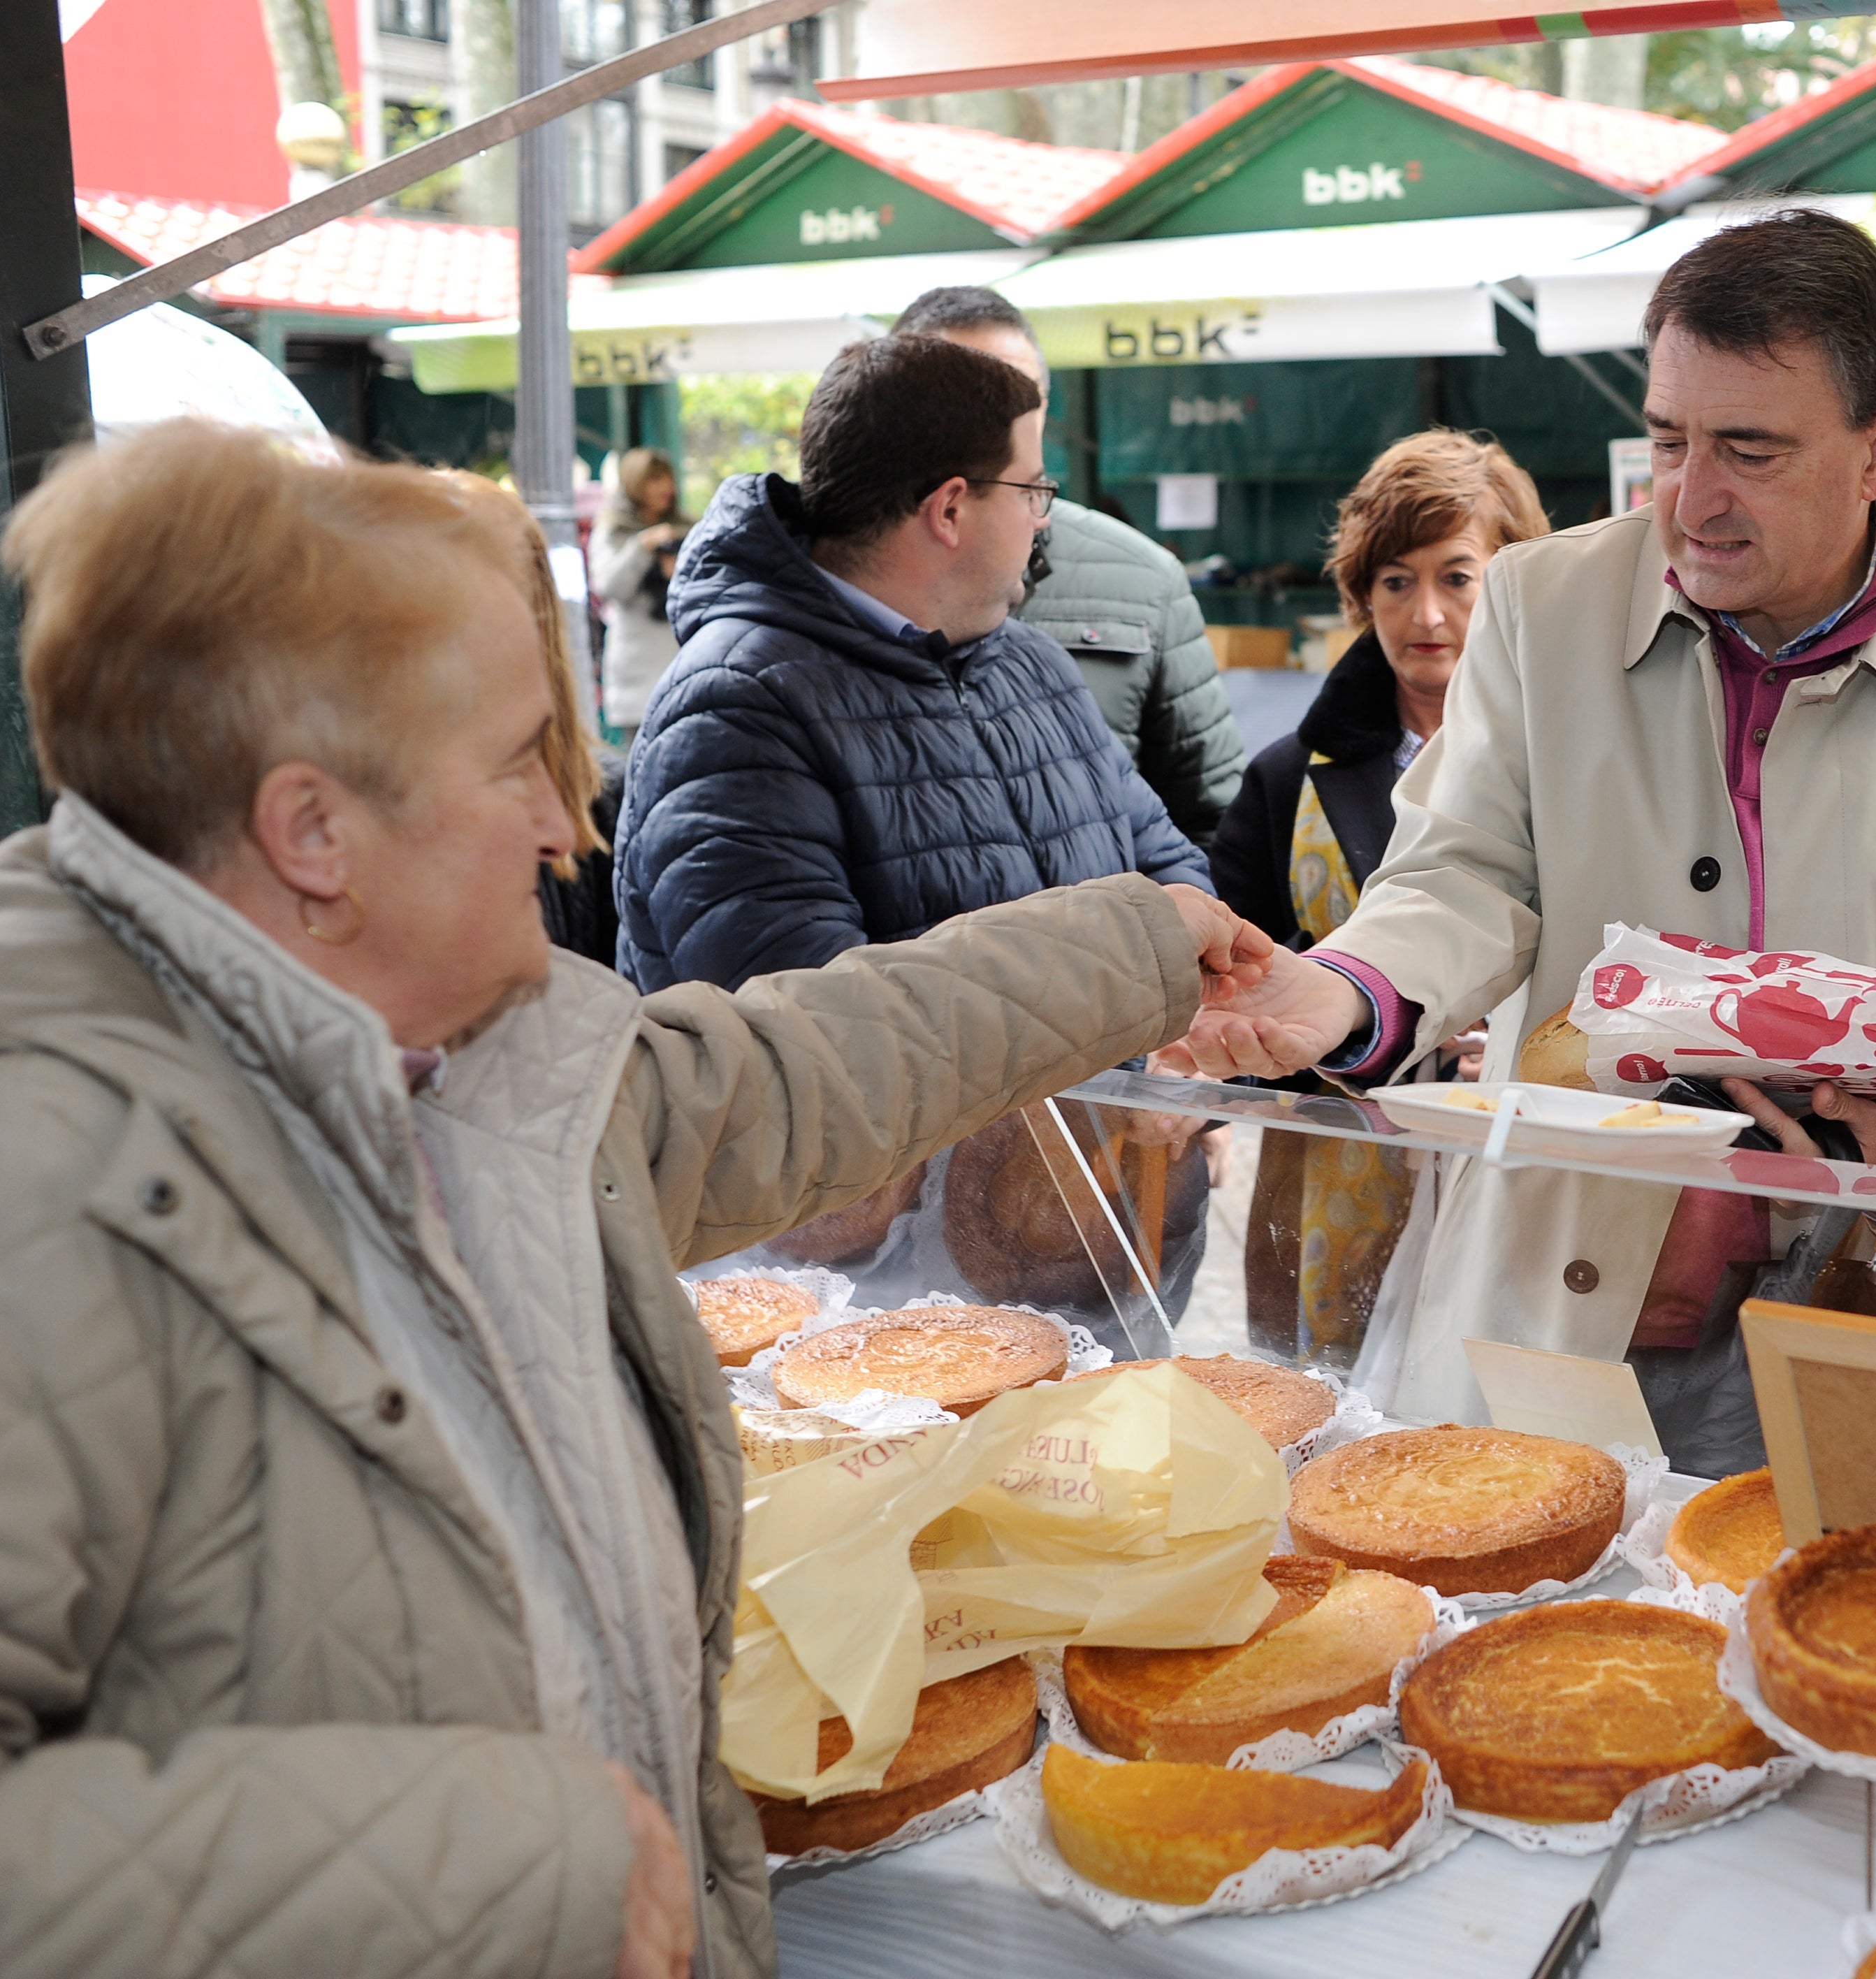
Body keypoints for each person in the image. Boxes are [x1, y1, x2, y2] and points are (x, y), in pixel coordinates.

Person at [0, 419, 1260, 1978]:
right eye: (517, 759)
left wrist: (1138, 945)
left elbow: (788, 1073)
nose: (563, 823)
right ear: (311, 832)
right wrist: (510, 1862)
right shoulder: (49, 1190)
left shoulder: (447, 1060)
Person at [1170, 208, 1876, 1445]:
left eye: (1749, 449)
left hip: (1860, 1295)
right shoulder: (1541, 607)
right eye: (1668, 439)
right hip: (1557, 1296)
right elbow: (1465, 869)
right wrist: (1352, 991)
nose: (1691, 499)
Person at [616, 332, 1212, 991]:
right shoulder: (735, 708)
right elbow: (820, 1027)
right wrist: (1116, 993)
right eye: (1033, 491)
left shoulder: (1033, 663)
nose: (1043, 519)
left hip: (1103, 1091)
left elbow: (1168, 869)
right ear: (950, 509)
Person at [1207, 430, 1548, 1361]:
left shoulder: (1573, 771)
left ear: (1514, 580)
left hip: (1520, 1183)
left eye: (1458, 575)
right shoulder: (1288, 778)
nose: (1425, 612)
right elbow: (1237, 979)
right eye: (1395, 581)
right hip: (1330, 1189)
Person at [890, 284, 1247, 839]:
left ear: (1044, 412)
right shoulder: (838, 578)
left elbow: (1217, 825)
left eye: (1014, 398)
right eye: (954, 399)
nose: (987, 424)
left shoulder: (1144, 580)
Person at [590, 446, 686, 737]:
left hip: (681, 661)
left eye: (667, 479)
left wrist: (680, 568)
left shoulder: (686, 526)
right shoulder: (614, 529)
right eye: (654, 480)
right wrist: (643, 547)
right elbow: (609, 586)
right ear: (635, 483)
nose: (665, 488)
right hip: (637, 668)